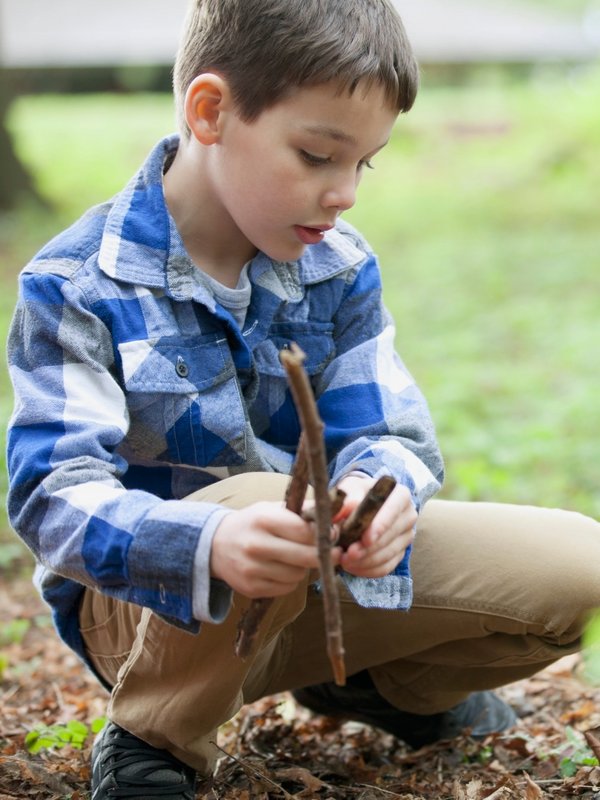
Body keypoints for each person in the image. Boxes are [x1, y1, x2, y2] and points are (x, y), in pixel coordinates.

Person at [6, 0, 600, 797]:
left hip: (318, 590)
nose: (346, 192)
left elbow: (388, 434)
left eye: (365, 162)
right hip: (151, 617)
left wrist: (374, 493)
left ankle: (377, 687)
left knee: (581, 565)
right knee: (261, 499)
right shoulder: (75, 284)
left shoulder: (340, 267)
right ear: (210, 112)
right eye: (319, 155)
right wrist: (209, 542)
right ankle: (158, 735)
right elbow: (50, 495)